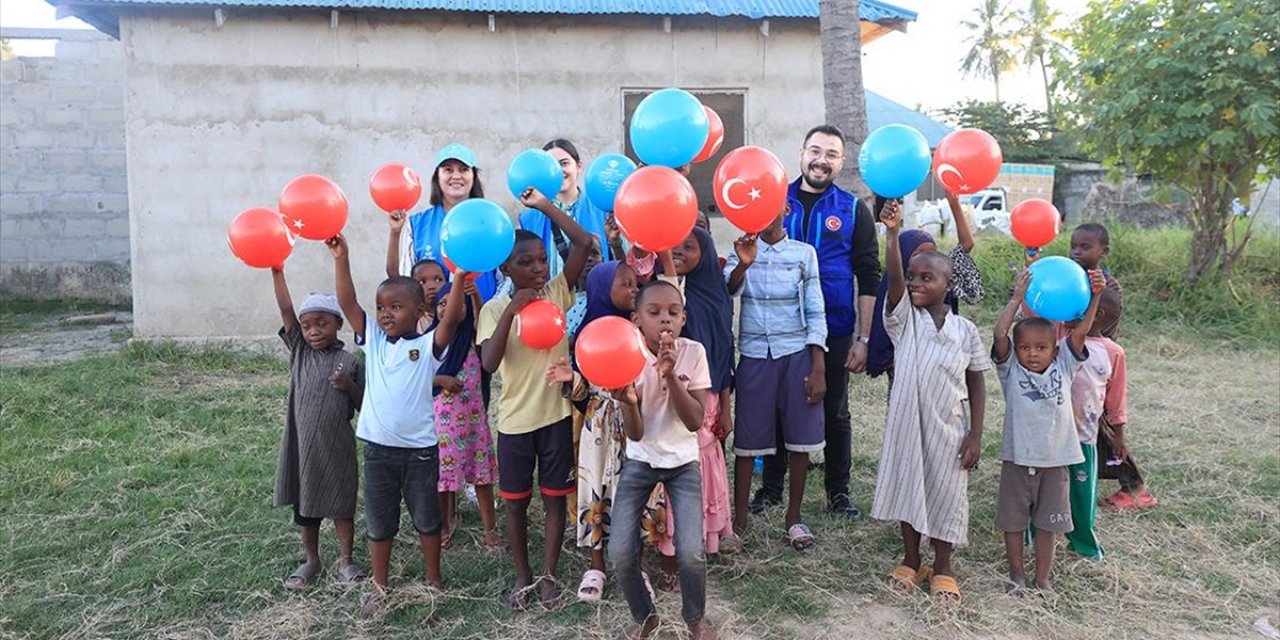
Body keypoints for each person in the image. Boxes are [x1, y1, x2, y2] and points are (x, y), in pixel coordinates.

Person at [326, 234, 468, 618]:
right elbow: (348, 303)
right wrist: (342, 257)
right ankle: (379, 587)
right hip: (378, 452)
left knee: (427, 520)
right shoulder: (373, 339)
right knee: (379, 522)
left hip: (420, 453)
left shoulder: (428, 346)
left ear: (420, 310)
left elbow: (451, 318)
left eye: (396, 306)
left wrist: (458, 276)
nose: (385, 313)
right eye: (381, 307)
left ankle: (434, 579)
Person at [756, 124, 881, 519]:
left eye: (831, 154)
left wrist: (864, 338)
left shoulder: (852, 209)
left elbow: (868, 275)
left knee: (835, 411)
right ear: (801, 153)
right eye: (815, 151)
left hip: (836, 326)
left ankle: (838, 492)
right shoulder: (775, 200)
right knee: (779, 408)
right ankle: (771, 490)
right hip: (782, 326)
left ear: (841, 163)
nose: (821, 161)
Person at [477, 189, 594, 610]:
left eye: (542, 260)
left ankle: (547, 575)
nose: (538, 268)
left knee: (554, 499)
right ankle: (523, 575)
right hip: (515, 424)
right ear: (505, 268)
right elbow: (489, 363)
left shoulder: (557, 293)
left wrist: (545, 206)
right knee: (515, 505)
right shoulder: (494, 310)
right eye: (525, 263)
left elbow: (584, 242)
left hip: (556, 417)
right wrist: (513, 310)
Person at [869, 201, 989, 601]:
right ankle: (911, 558)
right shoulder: (905, 321)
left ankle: (943, 566)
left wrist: (975, 434)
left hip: (948, 429)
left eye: (927, 277)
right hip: (906, 426)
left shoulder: (965, 330)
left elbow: (977, 382)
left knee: (947, 494)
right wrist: (891, 233)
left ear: (948, 285)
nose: (916, 283)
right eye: (912, 277)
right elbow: (895, 280)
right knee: (909, 489)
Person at [608, 279, 716, 640]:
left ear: (684, 318)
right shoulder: (629, 355)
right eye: (654, 313)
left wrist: (671, 375)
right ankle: (645, 617)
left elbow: (695, 421)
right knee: (620, 551)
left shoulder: (693, 352)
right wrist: (628, 403)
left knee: (691, 552)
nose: (665, 320)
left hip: (683, 462)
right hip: (642, 459)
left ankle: (695, 618)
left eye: (673, 312)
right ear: (637, 319)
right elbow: (636, 434)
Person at [992, 263, 1106, 594]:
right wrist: (1016, 298)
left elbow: (1081, 332)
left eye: (1040, 348)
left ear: (1055, 349)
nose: (1032, 354)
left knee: (1048, 525)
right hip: (1018, 460)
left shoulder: (1065, 365)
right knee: (1013, 523)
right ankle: (1016, 575)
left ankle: (1043, 578)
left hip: (1056, 462)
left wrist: (1095, 296)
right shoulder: (1011, 369)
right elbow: (999, 335)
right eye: (1025, 348)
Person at [725, 205, 827, 550]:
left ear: (785, 208)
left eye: (771, 205)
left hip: (796, 353)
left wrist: (818, 365)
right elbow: (728, 289)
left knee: (799, 437)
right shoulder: (739, 249)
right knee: (747, 440)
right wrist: (744, 263)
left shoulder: (803, 253)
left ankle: (793, 518)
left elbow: (815, 309)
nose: (764, 213)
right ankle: (739, 523)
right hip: (755, 355)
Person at [544, 260, 639, 602]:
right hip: (596, 431)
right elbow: (585, 399)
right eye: (625, 284)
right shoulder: (589, 333)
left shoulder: (638, 331)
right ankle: (596, 565)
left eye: (635, 284)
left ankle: (635, 564)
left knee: (635, 491)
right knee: (595, 489)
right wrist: (572, 379)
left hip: (634, 424)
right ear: (601, 290)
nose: (634, 290)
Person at [267, 269, 366, 590]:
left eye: (322, 323)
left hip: (337, 445)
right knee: (306, 505)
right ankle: (311, 559)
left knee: (342, 503)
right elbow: (285, 309)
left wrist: (349, 386)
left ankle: (346, 561)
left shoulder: (351, 361)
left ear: (339, 323)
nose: (313, 331)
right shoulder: (300, 352)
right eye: (307, 325)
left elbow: (365, 406)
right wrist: (277, 271)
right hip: (302, 446)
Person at [669, 228, 739, 554]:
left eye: (689, 247)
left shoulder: (715, 295)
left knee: (705, 462)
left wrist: (726, 407)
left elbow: (723, 352)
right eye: (673, 246)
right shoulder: (666, 294)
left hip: (707, 397)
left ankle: (708, 532)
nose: (679, 251)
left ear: (706, 253)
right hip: (670, 396)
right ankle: (675, 533)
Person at [866, 190, 985, 383]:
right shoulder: (900, 294)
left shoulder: (939, 277)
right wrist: (892, 232)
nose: (925, 261)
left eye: (931, 253)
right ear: (904, 258)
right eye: (917, 254)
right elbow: (895, 273)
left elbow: (966, 245)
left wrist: (954, 202)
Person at [431, 279, 501, 551]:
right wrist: (441, 380)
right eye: (441, 303)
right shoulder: (432, 342)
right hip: (443, 424)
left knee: (482, 477)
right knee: (444, 479)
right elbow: (416, 376)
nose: (447, 308)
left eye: (454, 302)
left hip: (474, 422)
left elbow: (484, 329)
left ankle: (490, 531)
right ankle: (444, 527)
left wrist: (476, 299)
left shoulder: (472, 339)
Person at [388, 142, 502, 302]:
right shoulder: (417, 224)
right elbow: (404, 279)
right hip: (434, 317)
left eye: (464, 169)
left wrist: (491, 311)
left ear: (473, 176)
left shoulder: (493, 221)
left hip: (483, 314)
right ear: (437, 177)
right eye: (448, 170)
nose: (456, 176)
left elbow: (505, 278)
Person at [1062, 288, 1127, 559]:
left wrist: (1119, 436)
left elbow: (1116, 399)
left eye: (1075, 304)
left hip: (1084, 439)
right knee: (1042, 490)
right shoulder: (1060, 339)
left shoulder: (1113, 353)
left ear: (1096, 314)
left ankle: (1084, 543)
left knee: (1082, 492)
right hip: (1051, 437)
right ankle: (1034, 534)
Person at [519, 138, 614, 276]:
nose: (558, 171)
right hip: (550, 289)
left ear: (579, 166)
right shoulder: (529, 218)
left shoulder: (601, 209)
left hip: (595, 288)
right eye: (551, 166)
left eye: (564, 163)